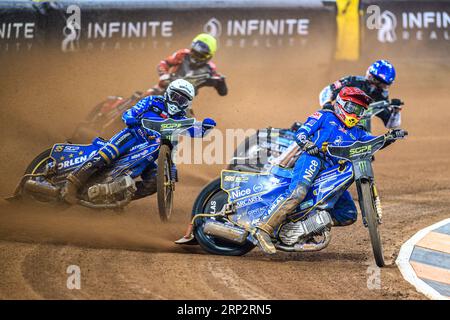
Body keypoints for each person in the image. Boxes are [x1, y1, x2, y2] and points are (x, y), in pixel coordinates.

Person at [254, 87, 406, 254]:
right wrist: (308, 145)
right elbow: (302, 132)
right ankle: (263, 229)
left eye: (360, 110)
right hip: (314, 159)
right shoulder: (325, 116)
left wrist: (389, 137)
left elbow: (372, 143)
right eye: (352, 108)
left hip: (335, 172)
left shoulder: (358, 131)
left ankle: (304, 227)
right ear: (340, 104)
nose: (355, 114)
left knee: (347, 214)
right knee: (298, 192)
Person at [62, 79, 216, 204]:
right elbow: (131, 112)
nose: (177, 103)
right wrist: (131, 119)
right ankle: (72, 182)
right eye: (175, 97)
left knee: (157, 181)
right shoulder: (152, 100)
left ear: (187, 104)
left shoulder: (182, 119)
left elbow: (193, 132)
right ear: (168, 93)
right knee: (109, 153)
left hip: (150, 154)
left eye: (182, 101)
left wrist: (206, 127)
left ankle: (117, 196)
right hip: (132, 137)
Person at [319, 60, 402, 130]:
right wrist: (327, 104)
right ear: (371, 76)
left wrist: (396, 111)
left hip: (359, 132)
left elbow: (391, 125)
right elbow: (328, 90)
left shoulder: (381, 97)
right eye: (378, 82)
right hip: (335, 121)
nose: (380, 87)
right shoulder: (352, 81)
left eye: (384, 84)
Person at [149, 33, 228, 97]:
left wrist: (221, 83)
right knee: (145, 98)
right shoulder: (183, 54)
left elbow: (223, 92)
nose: (195, 57)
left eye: (200, 55)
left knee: (190, 117)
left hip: (182, 101)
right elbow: (164, 63)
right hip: (162, 89)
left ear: (209, 56)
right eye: (194, 52)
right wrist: (165, 77)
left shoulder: (209, 69)